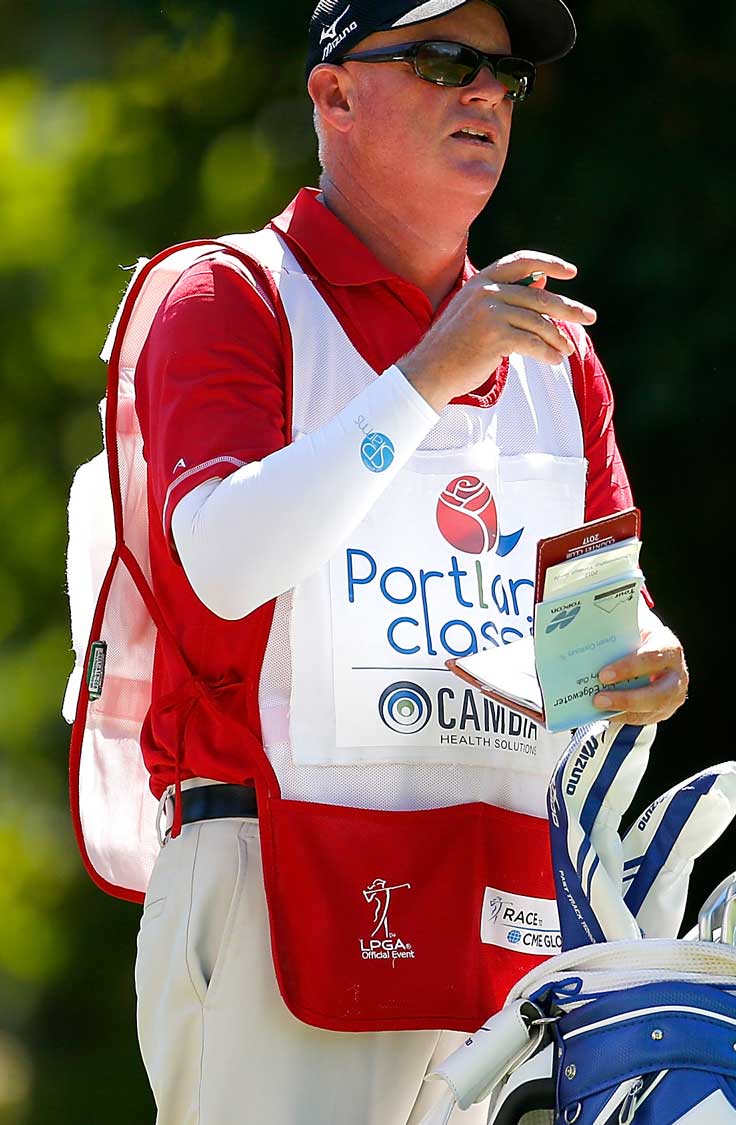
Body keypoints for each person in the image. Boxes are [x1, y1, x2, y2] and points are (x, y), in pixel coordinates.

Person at [65, 3, 688, 1122]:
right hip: (274, 884)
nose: (485, 92)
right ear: (332, 95)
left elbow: (600, 622)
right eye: (447, 60)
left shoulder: (558, 354)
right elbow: (224, 561)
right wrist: (425, 379)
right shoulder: (225, 294)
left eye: (505, 74)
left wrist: (643, 650)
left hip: (504, 909)